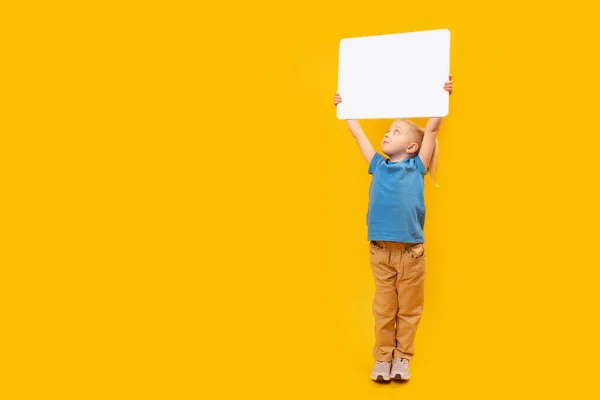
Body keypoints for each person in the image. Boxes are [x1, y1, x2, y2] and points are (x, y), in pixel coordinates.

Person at [333, 76, 453, 382]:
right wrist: (346, 109)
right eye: (388, 130)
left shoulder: (417, 166)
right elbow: (359, 136)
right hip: (380, 253)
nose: (387, 133)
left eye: (395, 131)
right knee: (384, 310)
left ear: (412, 146)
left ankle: (402, 358)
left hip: (411, 255)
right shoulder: (378, 164)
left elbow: (434, 128)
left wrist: (441, 98)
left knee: (409, 310)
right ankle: (383, 357)